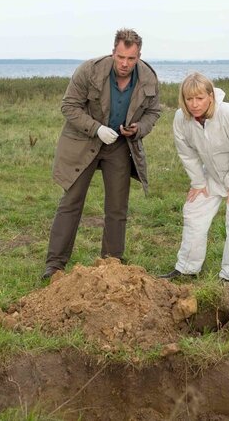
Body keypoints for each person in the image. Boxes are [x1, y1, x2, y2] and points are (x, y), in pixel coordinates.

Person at [42, 28, 161, 280]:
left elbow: (153, 113)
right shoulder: (89, 70)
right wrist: (96, 128)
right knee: (71, 202)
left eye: (131, 59)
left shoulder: (149, 78)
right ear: (113, 52)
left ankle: (112, 265)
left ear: (139, 56)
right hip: (84, 142)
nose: (125, 64)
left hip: (119, 145)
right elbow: (69, 106)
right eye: (120, 57)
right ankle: (54, 265)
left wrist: (138, 128)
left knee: (117, 208)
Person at [161, 72, 229, 282]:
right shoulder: (181, 119)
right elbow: (186, 152)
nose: (194, 104)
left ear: (211, 96)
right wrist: (198, 181)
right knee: (194, 210)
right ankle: (187, 268)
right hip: (212, 169)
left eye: (200, 98)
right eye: (189, 99)